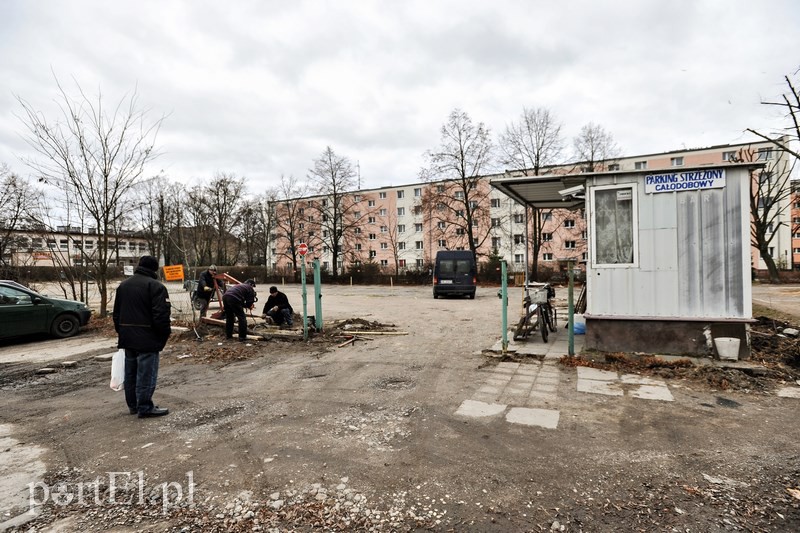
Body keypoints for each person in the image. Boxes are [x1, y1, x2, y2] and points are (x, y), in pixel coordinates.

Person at [113, 256, 172, 418]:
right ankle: (145, 407)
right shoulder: (156, 287)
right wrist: (163, 336)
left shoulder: (123, 286)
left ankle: (133, 406)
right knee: (146, 374)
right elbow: (161, 316)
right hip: (147, 338)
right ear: (154, 269)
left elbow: (116, 314)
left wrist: (122, 332)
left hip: (127, 337)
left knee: (131, 373)